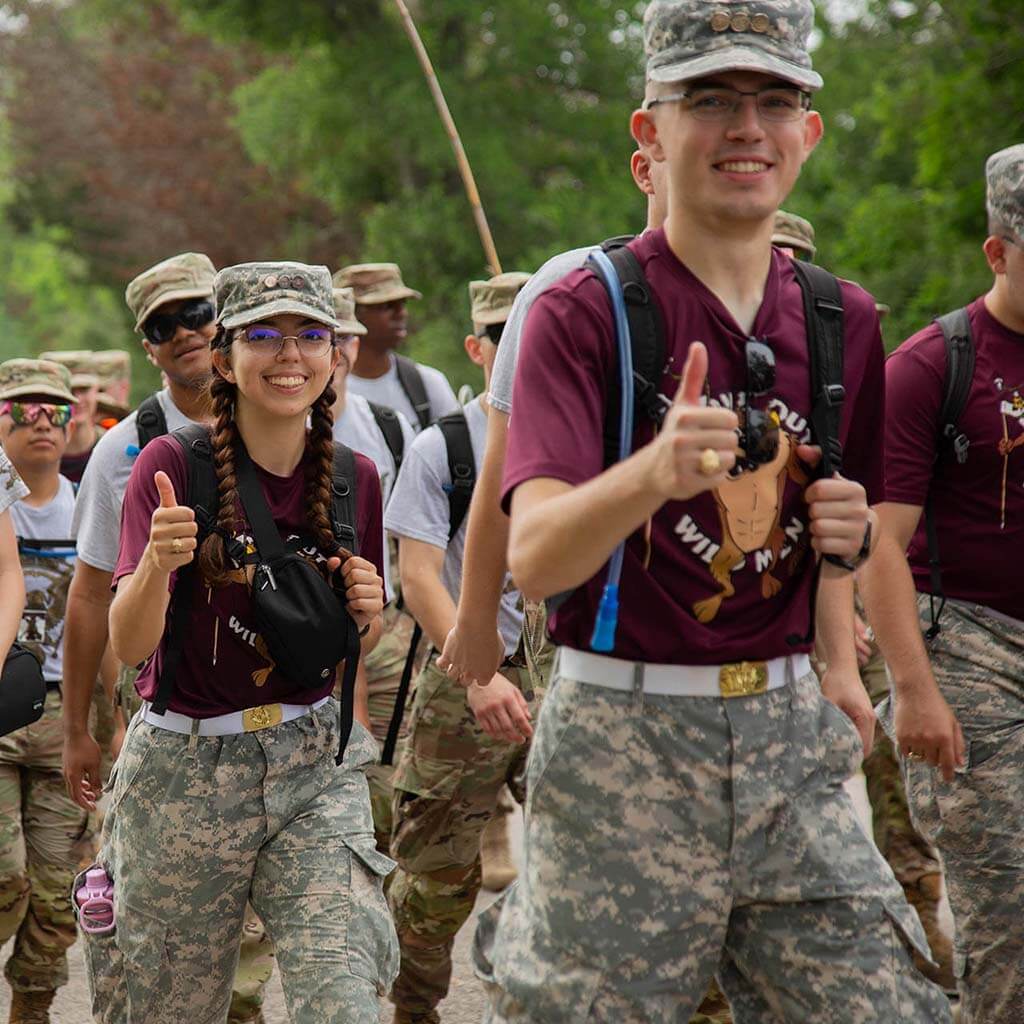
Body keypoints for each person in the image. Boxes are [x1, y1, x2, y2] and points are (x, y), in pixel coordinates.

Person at [471, 2, 951, 1020]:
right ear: (649, 132)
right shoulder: (580, 307)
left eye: (774, 101)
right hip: (622, 739)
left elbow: (834, 519)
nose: (746, 128)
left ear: (807, 134)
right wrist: (649, 475)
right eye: (710, 100)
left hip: (792, 743)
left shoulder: (841, 318)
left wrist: (837, 657)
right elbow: (537, 558)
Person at [84, 261, 398, 1023]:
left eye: (310, 335)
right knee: (169, 1010)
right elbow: (130, 645)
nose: (289, 355)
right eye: (264, 335)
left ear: (336, 356)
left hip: (311, 763)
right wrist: (158, 562)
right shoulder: (169, 466)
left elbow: (353, 634)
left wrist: (369, 609)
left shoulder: (356, 477)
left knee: (343, 998)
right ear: (225, 359)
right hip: (183, 773)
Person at [62, 253, 277, 1024]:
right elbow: (89, 596)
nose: (185, 333)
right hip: (153, 709)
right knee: (141, 894)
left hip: (266, 707)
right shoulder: (125, 452)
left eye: (196, 313)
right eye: (163, 326)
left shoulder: (288, 418)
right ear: (146, 347)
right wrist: (80, 728)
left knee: (251, 922)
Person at [858, 143, 1024, 1023]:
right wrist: (914, 691)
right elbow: (880, 544)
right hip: (971, 652)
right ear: (997, 253)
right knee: (1010, 915)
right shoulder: (932, 365)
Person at [771, 213, 954, 988]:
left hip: (839, 617)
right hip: (743, 635)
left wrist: (841, 627)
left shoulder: (839, 347)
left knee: (888, 791)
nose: (781, 269)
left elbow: (863, 513)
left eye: (795, 260)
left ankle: (923, 930)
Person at [383, 272, 535, 1024]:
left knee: (612, 861)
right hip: (464, 678)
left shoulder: (595, 431)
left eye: (537, 333)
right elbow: (416, 574)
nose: (522, 352)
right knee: (435, 880)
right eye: (506, 338)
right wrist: (477, 673)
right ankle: (413, 1009)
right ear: (479, 347)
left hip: (571, 676)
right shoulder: (443, 447)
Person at [0, 359, 88, 1024]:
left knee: (59, 893)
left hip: (65, 713)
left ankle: (31, 1009)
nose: (40, 423)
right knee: (4, 876)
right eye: (21, 409)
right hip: (3, 708)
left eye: (53, 410)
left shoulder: (92, 507)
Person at [329, 286, 420, 857]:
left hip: (383, 635)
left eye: (335, 337)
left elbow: (415, 539)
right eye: (316, 337)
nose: (328, 353)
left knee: (381, 797)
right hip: (293, 638)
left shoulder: (388, 428)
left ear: (354, 345)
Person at [335, 263, 459, 431]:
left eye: (403, 304)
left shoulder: (427, 385)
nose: (402, 313)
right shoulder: (319, 389)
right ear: (352, 316)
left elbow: (457, 450)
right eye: (387, 306)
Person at [37, 351, 103, 485]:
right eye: (68, 391)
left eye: (84, 389)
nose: (77, 400)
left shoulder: (111, 447)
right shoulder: (35, 451)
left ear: (97, 390)